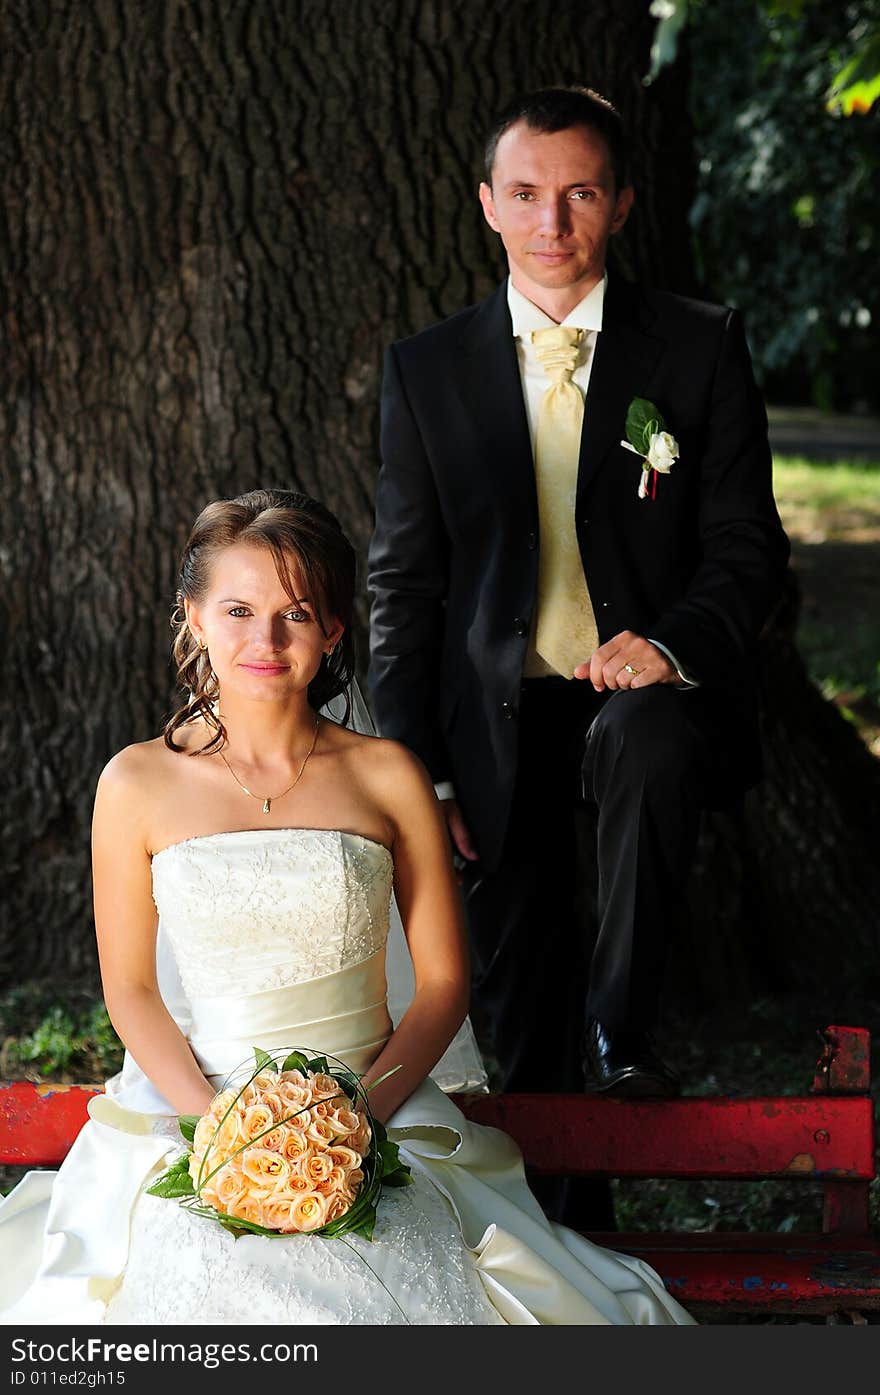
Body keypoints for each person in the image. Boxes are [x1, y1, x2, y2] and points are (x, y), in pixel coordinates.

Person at [0, 488, 692, 1326]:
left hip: (376, 1103)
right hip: (192, 1103)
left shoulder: (388, 775)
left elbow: (440, 985)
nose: (266, 639)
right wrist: (222, 1133)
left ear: (333, 630)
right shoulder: (135, 782)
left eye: (296, 613)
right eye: (239, 609)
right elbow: (133, 992)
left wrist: (354, 1116)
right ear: (192, 615)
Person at [367, 88, 790, 1153]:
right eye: (526, 195)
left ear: (621, 204)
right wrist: (422, 774)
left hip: (645, 701)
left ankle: (625, 1029)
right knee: (521, 1021)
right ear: (487, 205)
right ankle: (575, 1259)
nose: (552, 224)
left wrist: (672, 642)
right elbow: (404, 586)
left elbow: (748, 549)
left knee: (643, 739)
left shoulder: (696, 348)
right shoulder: (427, 370)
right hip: (494, 726)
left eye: (580, 194)